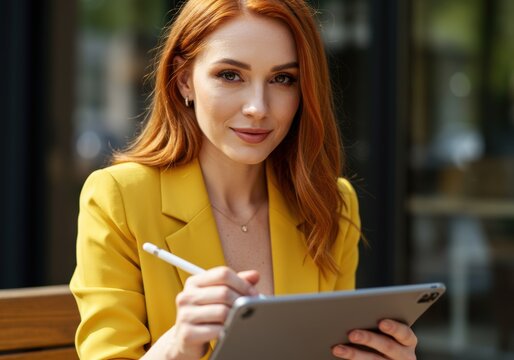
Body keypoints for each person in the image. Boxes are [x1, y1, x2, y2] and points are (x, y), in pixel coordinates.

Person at [70, 0, 418, 359]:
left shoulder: (331, 202)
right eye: (230, 75)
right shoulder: (119, 198)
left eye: (283, 79)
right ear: (184, 79)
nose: (258, 108)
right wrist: (177, 347)